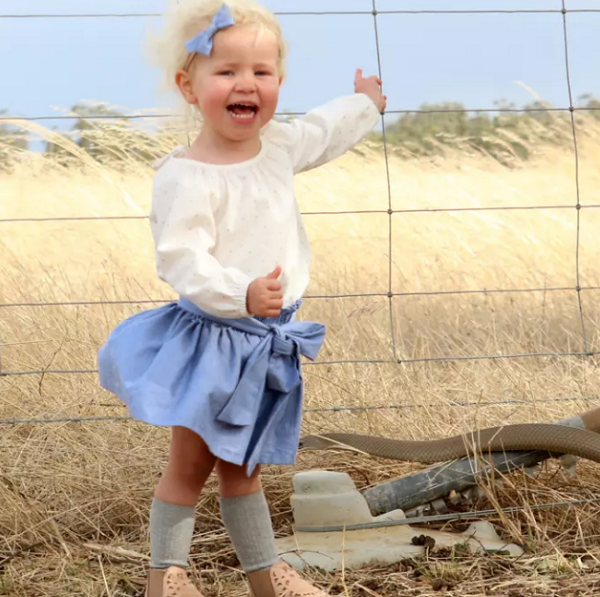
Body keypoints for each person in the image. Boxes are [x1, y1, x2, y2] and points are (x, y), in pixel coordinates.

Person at [97, 0, 386, 595]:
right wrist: (241, 291)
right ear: (188, 85)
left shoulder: (277, 146)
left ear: (278, 82)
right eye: (226, 71)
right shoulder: (186, 175)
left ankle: (265, 574)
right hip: (215, 340)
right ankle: (165, 576)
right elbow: (180, 258)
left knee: (245, 466)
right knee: (191, 465)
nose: (246, 84)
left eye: (261, 71)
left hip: (267, 343)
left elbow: (322, 133)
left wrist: (364, 104)